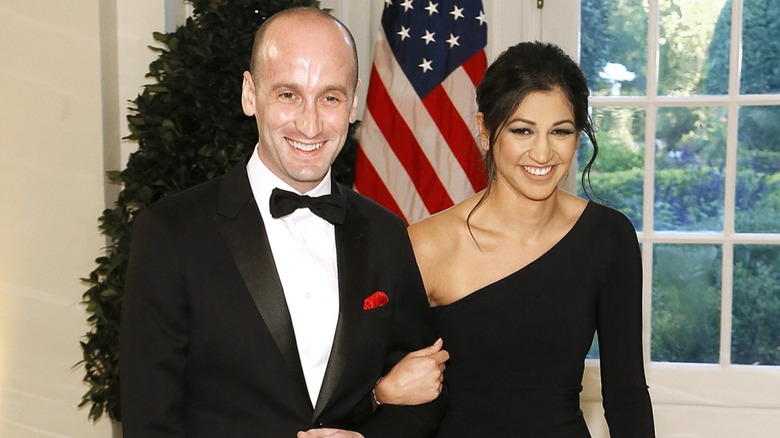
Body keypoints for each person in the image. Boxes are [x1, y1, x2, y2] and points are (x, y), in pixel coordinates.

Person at [119, 8, 447, 438]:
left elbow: (425, 392)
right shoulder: (171, 234)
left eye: (330, 97)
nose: (310, 124)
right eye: (288, 95)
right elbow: (150, 423)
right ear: (250, 94)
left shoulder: (386, 233)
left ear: (353, 102)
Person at [390, 41, 656, 436]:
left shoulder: (608, 238)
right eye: (522, 130)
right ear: (485, 129)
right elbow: (388, 387)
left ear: (578, 135)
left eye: (560, 131)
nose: (543, 152)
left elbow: (626, 392)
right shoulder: (426, 245)